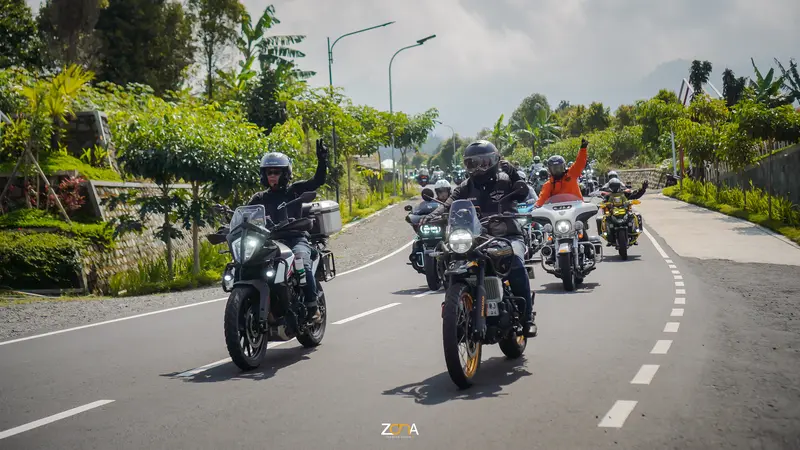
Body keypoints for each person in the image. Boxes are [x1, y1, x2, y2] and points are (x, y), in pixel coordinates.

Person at [421, 140, 537, 338]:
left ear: (494, 161)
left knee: (515, 261)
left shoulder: (505, 180)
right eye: (472, 163)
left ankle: (527, 319)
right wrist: (430, 217)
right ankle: (457, 304)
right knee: (447, 255)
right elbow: (448, 204)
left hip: (506, 235)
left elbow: (524, 193)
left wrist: (514, 174)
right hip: (475, 238)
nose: (478, 168)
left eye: (483, 162)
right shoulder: (464, 187)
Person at [247, 139, 329, 323]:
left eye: (276, 172)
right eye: (269, 172)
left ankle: (312, 306)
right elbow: (245, 215)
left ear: (285, 174)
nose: (272, 176)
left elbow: (317, 181)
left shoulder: (295, 191)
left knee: (301, 263)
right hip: (269, 242)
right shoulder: (259, 198)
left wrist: (322, 161)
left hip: (295, 238)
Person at [534, 138, 589, 208]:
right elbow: (542, 198)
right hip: (557, 213)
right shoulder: (548, 185)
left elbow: (580, 163)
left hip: (577, 208)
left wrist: (583, 149)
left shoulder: (571, 174)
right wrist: (536, 207)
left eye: (559, 168)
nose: (557, 170)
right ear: (549, 170)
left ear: (564, 167)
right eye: (554, 168)